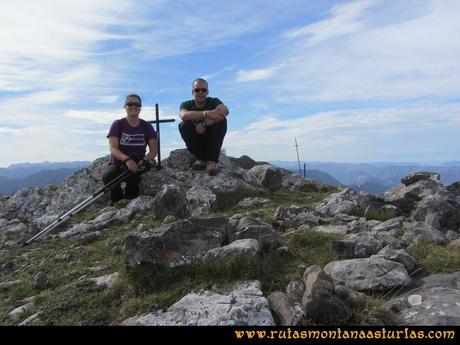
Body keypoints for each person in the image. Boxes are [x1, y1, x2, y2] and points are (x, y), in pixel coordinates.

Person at [102, 94, 158, 203]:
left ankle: (131, 195)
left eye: (137, 104)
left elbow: (154, 151)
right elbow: (113, 148)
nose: (133, 107)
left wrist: (144, 160)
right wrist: (127, 160)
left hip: (139, 161)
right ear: (125, 106)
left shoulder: (146, 126)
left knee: (132, 172)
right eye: (130, 104)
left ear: (140, 107)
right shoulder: (118, 124)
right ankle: (117, 199)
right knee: (108, 176)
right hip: (119, 161)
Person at [179, 78, 229, 175]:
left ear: (208, 92)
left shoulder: (213, 101)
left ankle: (211, 161)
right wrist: (207, 114)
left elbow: (224, 111)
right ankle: (200, 158)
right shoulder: (187, 104)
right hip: (196, 140)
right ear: (192, 92)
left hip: (212, 138)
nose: (200, 92)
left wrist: (204, 124)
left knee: (222, 121)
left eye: (204, 90)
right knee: (184, 125)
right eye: (197, 90)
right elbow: (184, 115)